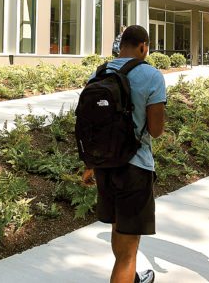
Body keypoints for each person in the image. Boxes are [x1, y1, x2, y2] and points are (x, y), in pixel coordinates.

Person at [82, 25, 167, 283]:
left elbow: (91, 126)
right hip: (135, 167)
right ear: (144, 47)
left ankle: (131, 279)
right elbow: (155, 131)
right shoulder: (151, 76)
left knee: (119, 230)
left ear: (121, 46)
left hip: (103, 165)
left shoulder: (99, 74)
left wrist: (89, 165)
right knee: (129, 252)